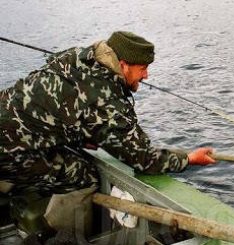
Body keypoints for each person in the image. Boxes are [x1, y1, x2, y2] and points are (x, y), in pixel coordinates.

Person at [0, 31, 215, 195]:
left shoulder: (76, 57)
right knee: (86, 176)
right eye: (142, 69)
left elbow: (63, 108)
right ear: (123, 65)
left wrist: (82, 136)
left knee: (75, 151)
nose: (147, 75)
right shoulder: (106, 102)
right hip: (8, 152)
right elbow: (143, 159)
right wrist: (188, 159)